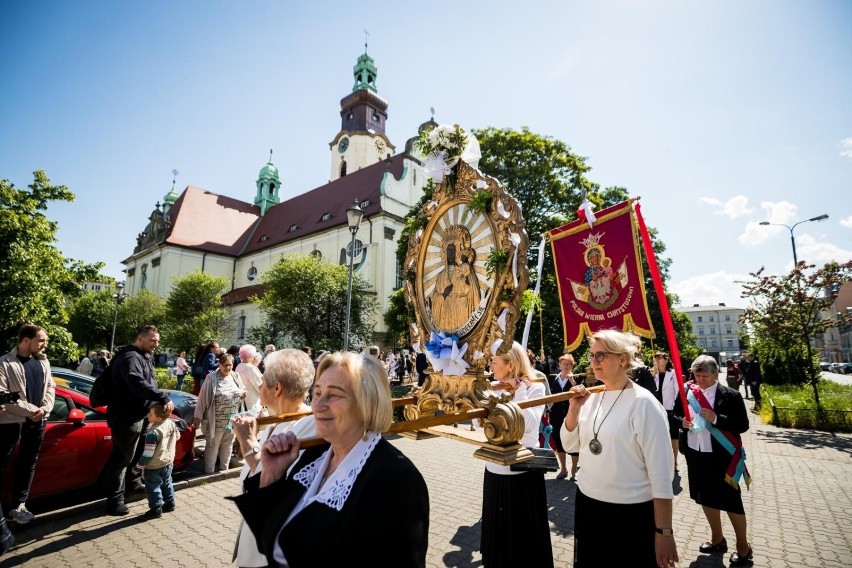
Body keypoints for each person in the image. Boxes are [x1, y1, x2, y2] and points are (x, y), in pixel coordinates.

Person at [230, 352, 429, 567]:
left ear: (367, 403)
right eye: (317, 393)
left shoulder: (398, 480)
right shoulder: (315, 457)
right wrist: (272, 476)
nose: (318, 405)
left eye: (333, 395)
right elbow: (268, 540)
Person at [562, 329, 677, 568]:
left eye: (600, 355)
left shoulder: (643, 403)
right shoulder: (592, 397)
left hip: (630, 515)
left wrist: (664, 531)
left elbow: (662, 475)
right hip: (588, 506)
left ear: (622, 359)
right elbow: (570, 445)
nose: (593, 361)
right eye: (592, 356)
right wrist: (573, 409)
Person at [230, 349, 317, 568]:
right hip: (256, 538)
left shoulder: (308, 427)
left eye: (263, 380)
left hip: (271, 552)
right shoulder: (279, 420)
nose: (258, 387)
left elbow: (275, 486)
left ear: (276, 388)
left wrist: (247, 443)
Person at [673, 355, 753, 567]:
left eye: (705, 376)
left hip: (723, 457)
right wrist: (682, 422)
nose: (700, 380)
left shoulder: (731, 395)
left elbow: (743, 425)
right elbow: (674, 414)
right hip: (696, 453)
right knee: (705, 497)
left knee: (731, 502)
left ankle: (743, 546)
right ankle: (717, 538)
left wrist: (716, 419)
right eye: (697, 375)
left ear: (716, 374)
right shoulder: (687, 391)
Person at [482, 341, 553, 568]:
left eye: (494, 362)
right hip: (494, 468)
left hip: (522, 473)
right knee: (498, 540)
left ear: (510, 365)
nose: (490, 366)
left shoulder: (535, 387)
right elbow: (479, 421)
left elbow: (529, 425)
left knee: (524, 545)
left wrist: (519, 389)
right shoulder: (493, 387)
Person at [103, 325, 174, 516]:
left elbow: (149, 383)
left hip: (141, 415)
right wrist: (162, 397)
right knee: (122, 458)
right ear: (140, 338)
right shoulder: (130, 358)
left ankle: (133, 485)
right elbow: (137, 383)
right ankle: (114, 501)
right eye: (152, 340)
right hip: (126, 417)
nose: (155, 344)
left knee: (138, 453)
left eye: (157, 341)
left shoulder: (144, 357)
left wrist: (155, 401)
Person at [0, 323, 54, 525]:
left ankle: (19, 506)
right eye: (41, 340)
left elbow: (50, 387)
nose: (44, 345)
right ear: (25, 341)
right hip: (10, 423)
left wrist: (45, 409)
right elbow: (5, 396)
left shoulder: (43, 362)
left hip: (37, 422)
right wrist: (34, 410)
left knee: (28, 463)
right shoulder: (4, 363)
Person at [194, 353, 246, 474]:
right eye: (225, 365)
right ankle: (209, 472)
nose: (228, 368)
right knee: (212, 446)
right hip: (215, 420)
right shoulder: (211, 378)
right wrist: (197, 417)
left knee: (227, 445)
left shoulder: (235, 375)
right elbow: (202, 399)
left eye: (230, 365)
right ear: (219, 364)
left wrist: (243, 393)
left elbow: (241, 389)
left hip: (232, 420)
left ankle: (224, 470)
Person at [135, 402, 179, 519]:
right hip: (168, 461)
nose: (148, 415)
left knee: (152, 487)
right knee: (167, 482)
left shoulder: (153, 433)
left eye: (150, 414)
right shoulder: (171, 423)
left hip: (154, 466)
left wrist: (138, 467)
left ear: (158, 418)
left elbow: (148, 454)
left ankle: (156, 508)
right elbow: (177, 436)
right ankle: (170, 502)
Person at [551, 353, 582, 480]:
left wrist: (572, 381)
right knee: (559, 441)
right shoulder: (553, 379)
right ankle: (563, 469)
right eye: (564, 364)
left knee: (573, 440)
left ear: (572, 366)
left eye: (569, 364)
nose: (566, 366)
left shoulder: (577, 379)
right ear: (560, 365)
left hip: (572, 414)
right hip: (556, 415)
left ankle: (574, 470)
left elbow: (580, 395)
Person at [653, 352, 682, 473]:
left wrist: (674, 407)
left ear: (666, 360)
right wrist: (653, 373)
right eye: (656, 357)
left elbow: (677, 390)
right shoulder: (652, 373)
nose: (658, 360)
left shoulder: (673, 373)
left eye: (660, 358)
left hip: (670, 409)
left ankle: (674, 462)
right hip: (656, 409)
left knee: (673, 437)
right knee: (658, 437)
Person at [236, 345, 264, 417]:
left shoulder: (239, 366)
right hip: (252, 403)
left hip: (242, 402)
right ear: (252, 355)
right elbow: (260, 386)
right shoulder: (251, 368)